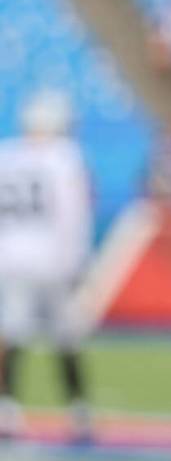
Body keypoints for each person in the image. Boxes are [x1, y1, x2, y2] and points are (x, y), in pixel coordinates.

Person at [0, 90, 93, 440]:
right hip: (52, 258)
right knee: (67, 336)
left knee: (12, 332)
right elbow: (72, 214)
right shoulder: (64, 156)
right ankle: (78, 410)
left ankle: (6, 408)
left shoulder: (6, 155)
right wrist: (77, 262)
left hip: (10, 257)